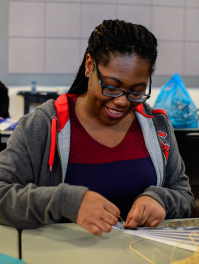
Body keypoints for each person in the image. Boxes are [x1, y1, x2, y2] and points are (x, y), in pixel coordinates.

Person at [0, 19, 194, 236]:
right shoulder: (42, 125)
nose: (122, 101)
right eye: (111, 87)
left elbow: (184, 196)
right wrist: (66, 202)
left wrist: (160, 200)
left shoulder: (156, 126)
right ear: (89, 65)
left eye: (136, 91)